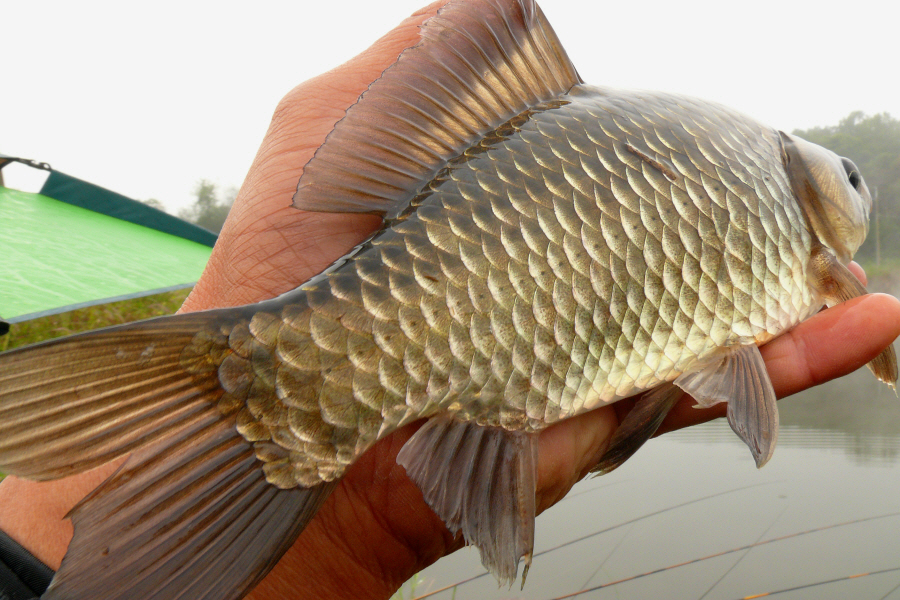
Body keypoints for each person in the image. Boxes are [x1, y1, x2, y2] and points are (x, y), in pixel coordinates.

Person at [1, 3, 899, 599]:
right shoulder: (789, 215)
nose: (855, 195)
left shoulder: (786, 228)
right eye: (852, 180)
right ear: (811, 183)